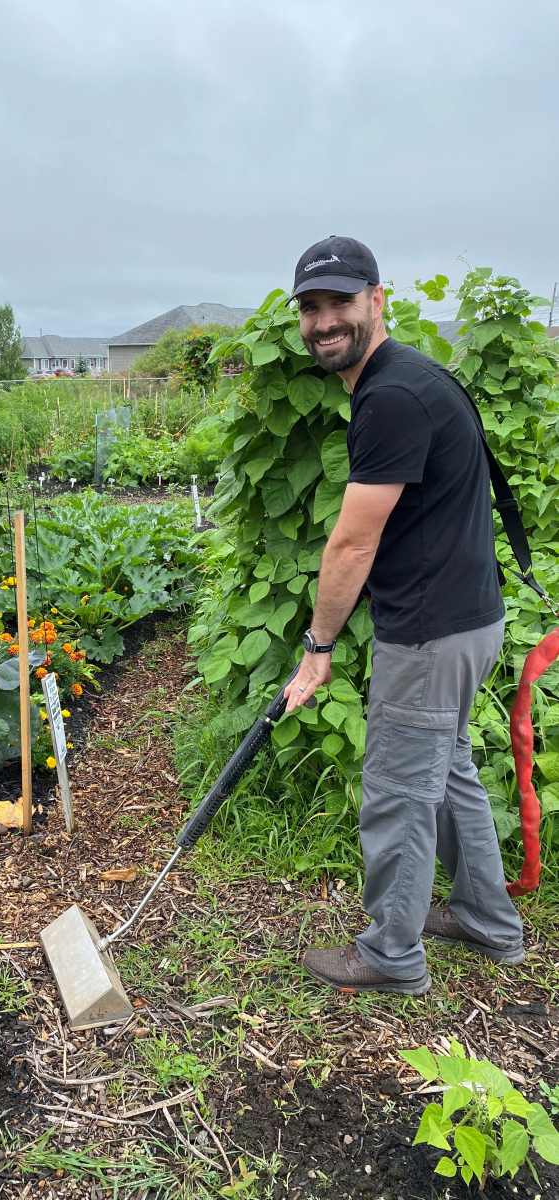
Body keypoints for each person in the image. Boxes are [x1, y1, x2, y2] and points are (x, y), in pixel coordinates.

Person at [283, 235, 525, 996]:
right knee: (448, 774)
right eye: (312, 308)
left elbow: (353, 543)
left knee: (396, 792)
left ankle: (390, 954)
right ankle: (488, 920)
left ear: (376, 300)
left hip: (429, 633)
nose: (325, 322)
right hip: (470, 620)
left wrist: (318, 645)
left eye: (340, 303)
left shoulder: (388, 396)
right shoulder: (416, 375)